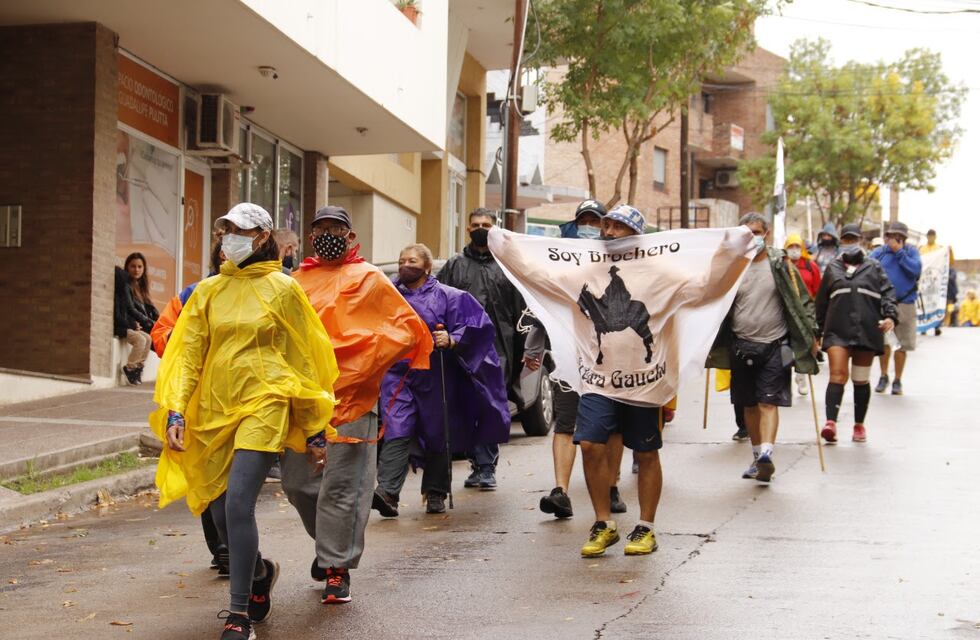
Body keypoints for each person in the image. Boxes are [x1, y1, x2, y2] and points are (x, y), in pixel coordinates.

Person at [151, 203, 339, 640]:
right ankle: (257, 574)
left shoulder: (284, 289)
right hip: (214, 410)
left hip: (265, 402)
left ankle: (238, 617)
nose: (228, 237)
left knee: (237, 502)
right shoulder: (207, 292)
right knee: (217, 508)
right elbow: (187, 355)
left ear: (261, 237)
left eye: (239, 230)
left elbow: (306, 358)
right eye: (225, 230)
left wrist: (314, 427)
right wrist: (176, 409)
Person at [280, 205, 431, 605]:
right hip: (304, 401)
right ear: (312, 236)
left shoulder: (370, 279)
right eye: (322, 228)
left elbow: (405, 329)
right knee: (298, 484)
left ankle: (336, 568)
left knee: (345, 486)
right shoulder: (296, 282)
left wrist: (364, 358)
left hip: (354, 399)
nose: (329, 233)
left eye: (336, 228)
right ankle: (330, 544)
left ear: (350, 236)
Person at [374, 244, 510, 516]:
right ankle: (387, 492)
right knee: (396, 428)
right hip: (398, 375)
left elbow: (478, 326)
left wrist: (452, 338)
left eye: (411, 260)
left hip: (436, 375)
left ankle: (436, 491)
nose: (404, 265)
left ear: (426, 267)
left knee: (438, 432)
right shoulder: (387, 296)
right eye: (401, 260)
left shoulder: (450, 297)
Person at [522, 200, 628, 518]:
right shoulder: (560, 267)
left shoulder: (622, 262)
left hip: (613, 359)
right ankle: (561, 492)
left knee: (612, 430)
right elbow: (544, 308)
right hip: (569, 359)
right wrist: (533, 349)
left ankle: (610, 486)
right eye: (584, 220)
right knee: (565, 424)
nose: (590, 227)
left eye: (596, 222)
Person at [707, 212, 819, 483]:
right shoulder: (733, 264)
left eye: (756, 232)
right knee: (749, 404)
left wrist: (812, 334)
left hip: (775, 344)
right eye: (746, 232)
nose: (751, 237)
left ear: (766, 234)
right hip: (740, 345)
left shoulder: (781, 264)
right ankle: (757, 456)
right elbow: (714, 296)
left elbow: (803, 301)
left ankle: (767, 452)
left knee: (768, 402)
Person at [150, 237, 228, 573]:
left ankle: (232, 545)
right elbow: (160, 335)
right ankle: (223, 547)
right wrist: (187, 339)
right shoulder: (192, 293)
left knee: (234, 475)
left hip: (243, 395)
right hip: (197, 398)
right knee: (206, 470)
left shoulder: (263, 290)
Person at [438, 208, 525, 490]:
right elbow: (437, 302)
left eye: (486, 224)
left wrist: (525, 349)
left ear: (495, 228)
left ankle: (486, 466)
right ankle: (476, 463)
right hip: (459, 347)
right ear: (467, 228)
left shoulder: (507, 268)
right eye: (475, 224)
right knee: (464, 405)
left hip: (497, 348)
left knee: (490, 406)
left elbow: (520, 313)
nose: (480, 228)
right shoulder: (454, 266)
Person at [814, 224, 898, 443]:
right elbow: (821, 302)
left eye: (854, 239)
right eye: (846, 239)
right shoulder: (832, 268)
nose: (850, 243)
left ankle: (859, 425)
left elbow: (888, 292)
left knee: (860, 379)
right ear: (841, 241)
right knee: (837, 375)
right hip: (837, 329)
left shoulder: (874, 267)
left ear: (861, 240)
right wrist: (817, 331)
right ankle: (830, 422)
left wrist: (890, 316)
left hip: (866, 329)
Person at [870, 221, 922, 396]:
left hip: (905, 303)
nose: (894, 239)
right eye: (891, 236)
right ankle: (883, 375)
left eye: (898, 236)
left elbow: (915, 271)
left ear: (904, 238)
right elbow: (868, 267)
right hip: (884, 303)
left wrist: (899, 253)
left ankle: (898, 379)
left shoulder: (910, 252)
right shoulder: (879, 253)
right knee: (884, 342)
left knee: (902, 344)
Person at [112, 253, 159, 385]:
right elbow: (128, 310)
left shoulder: (141, 287)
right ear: (126, 267)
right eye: (133, 266)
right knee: (142, 339)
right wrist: (135, 324)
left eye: (139, 267)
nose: (136, 270)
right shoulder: (124, 287)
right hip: (126, 325)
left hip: (134, 324)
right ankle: (130, 368)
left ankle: (138, 367)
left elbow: (147, 309)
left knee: (148, 338)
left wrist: (156, 322)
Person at [784, 233, 821, 396]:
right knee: (785, 346)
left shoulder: (810, 266)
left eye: (797, 246)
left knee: (806, 344)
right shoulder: (781, 264)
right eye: (790, 246)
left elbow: (817, 290)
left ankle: (801, 374)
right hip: (785, 311)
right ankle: (783, 378)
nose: (794, 250)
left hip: (806, 311)